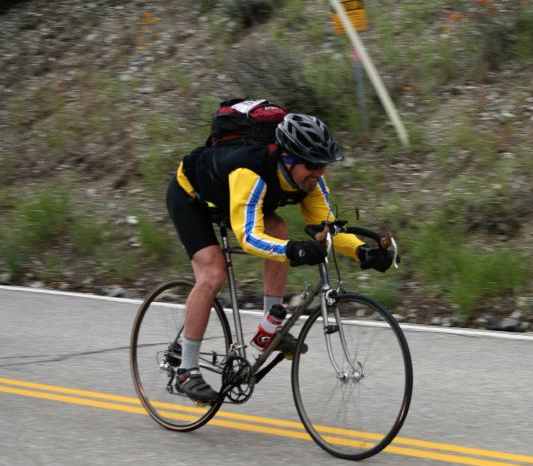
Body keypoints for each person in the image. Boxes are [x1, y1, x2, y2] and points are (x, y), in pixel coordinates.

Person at [165, 113, 394, 403]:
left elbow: (329, 228)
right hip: (192, 197)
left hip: (234, 198)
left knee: (279, 229)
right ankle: (186, 369)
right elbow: (248, 236)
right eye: (311, 164)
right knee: (213, 272)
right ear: (288, 159)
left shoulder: (311, 181)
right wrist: (292, 250)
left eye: (323, 165)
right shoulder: (250, 172)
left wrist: (363, 252)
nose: (319, 172)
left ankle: (268, 330)